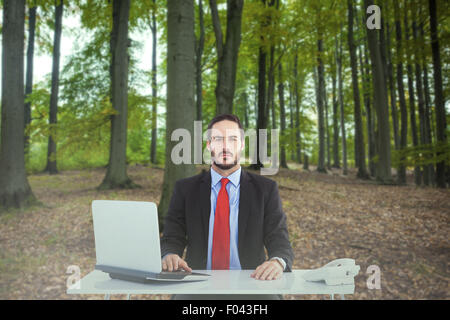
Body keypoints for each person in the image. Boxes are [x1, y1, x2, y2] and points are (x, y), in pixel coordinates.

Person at [161, 114, 294, 300]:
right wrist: (170, 254)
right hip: (196, 283)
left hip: (253, 282)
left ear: (241, 145)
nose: (226, 146)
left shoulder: (265, 190)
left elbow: (279, 240)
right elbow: (172, 236)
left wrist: (277, 262)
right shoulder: (185, 189)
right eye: (218, 139)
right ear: (209, 145)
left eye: (233, 139)